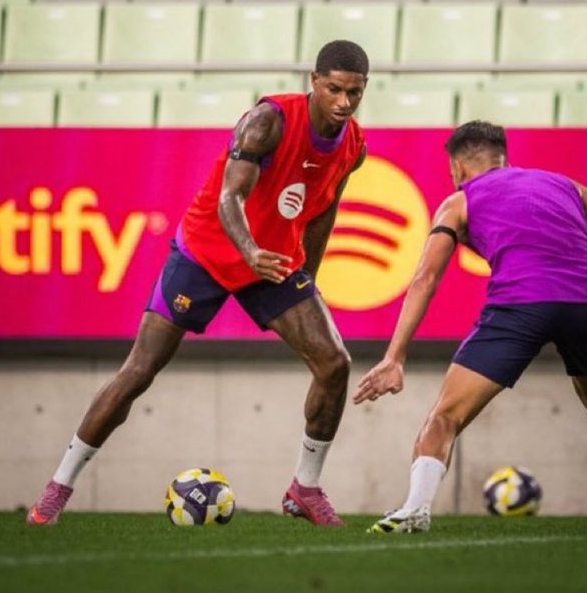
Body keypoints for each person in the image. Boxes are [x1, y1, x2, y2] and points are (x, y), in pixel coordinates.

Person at [28, 40, 369, 528]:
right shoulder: (268, 121)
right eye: (334, 89)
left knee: (334, 363)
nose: (343, 102)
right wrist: (248, 249)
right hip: (207, 253)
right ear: (313, 81)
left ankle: (304, 489)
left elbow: (325, 207)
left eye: (353, 93)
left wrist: (307, 276)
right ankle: (58, 487)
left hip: (271, 262)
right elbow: (231, 195)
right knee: (139, 371)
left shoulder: (354, 145)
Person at [354, 119, 587, 534]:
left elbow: (425, 278)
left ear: (457, 166)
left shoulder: (459, 200)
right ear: (503, 158)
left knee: (446, 415)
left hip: (522, 301)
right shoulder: (564, 186)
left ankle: (415, 508)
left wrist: (394, 356)